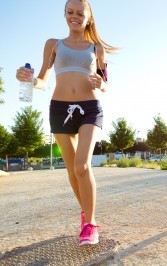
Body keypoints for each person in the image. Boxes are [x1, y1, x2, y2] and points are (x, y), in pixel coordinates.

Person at [16, 0, 117, 245]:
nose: (75, 16)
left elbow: (106, 84)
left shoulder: (97, 49)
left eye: (80, 13)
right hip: (60, 109)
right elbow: (42, 80)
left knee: (82, 166)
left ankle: (91, 225)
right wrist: (29, 80)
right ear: (64, 15)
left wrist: (99, 83)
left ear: (88, 17)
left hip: (90, 109)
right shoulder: (53, 45)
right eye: (70, 12)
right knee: (72, 170)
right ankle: (87, 215)